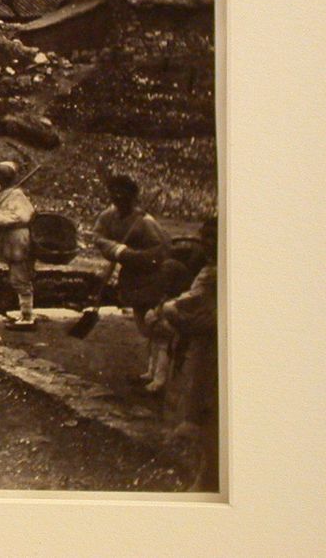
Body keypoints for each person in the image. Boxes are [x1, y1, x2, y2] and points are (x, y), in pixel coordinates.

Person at [146, 215, 218, 491]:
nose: (207, 243)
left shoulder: (213, 274)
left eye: (214, 238)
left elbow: (191, 303)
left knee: (202, 403)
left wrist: (167, 310)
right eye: (204, 236)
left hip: (209, 346)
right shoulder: (207, 267)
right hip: (203, 340)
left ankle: (203, 475)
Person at [90, 174, 173, 392]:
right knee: (144, 326)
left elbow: (160, 252)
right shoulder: (108, 216)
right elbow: (97, 237)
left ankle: (160, 378)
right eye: (114, 192)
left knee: (157, 327)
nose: (118, 197)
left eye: (123, 193)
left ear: (133, 196)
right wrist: (116, 249)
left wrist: (129, 255)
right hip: (132, 278)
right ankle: (150, 372)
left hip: (151, 277)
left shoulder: (146, 222)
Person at [0, 160, 37, 329]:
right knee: (16, 277)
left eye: (4, 175)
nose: (1, 177)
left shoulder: (17, 195)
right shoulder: (2, 194)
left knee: (20, 277)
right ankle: (24, 313)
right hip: (8, 238)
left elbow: (24, 216)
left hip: (18, 238)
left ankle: (27, 317)